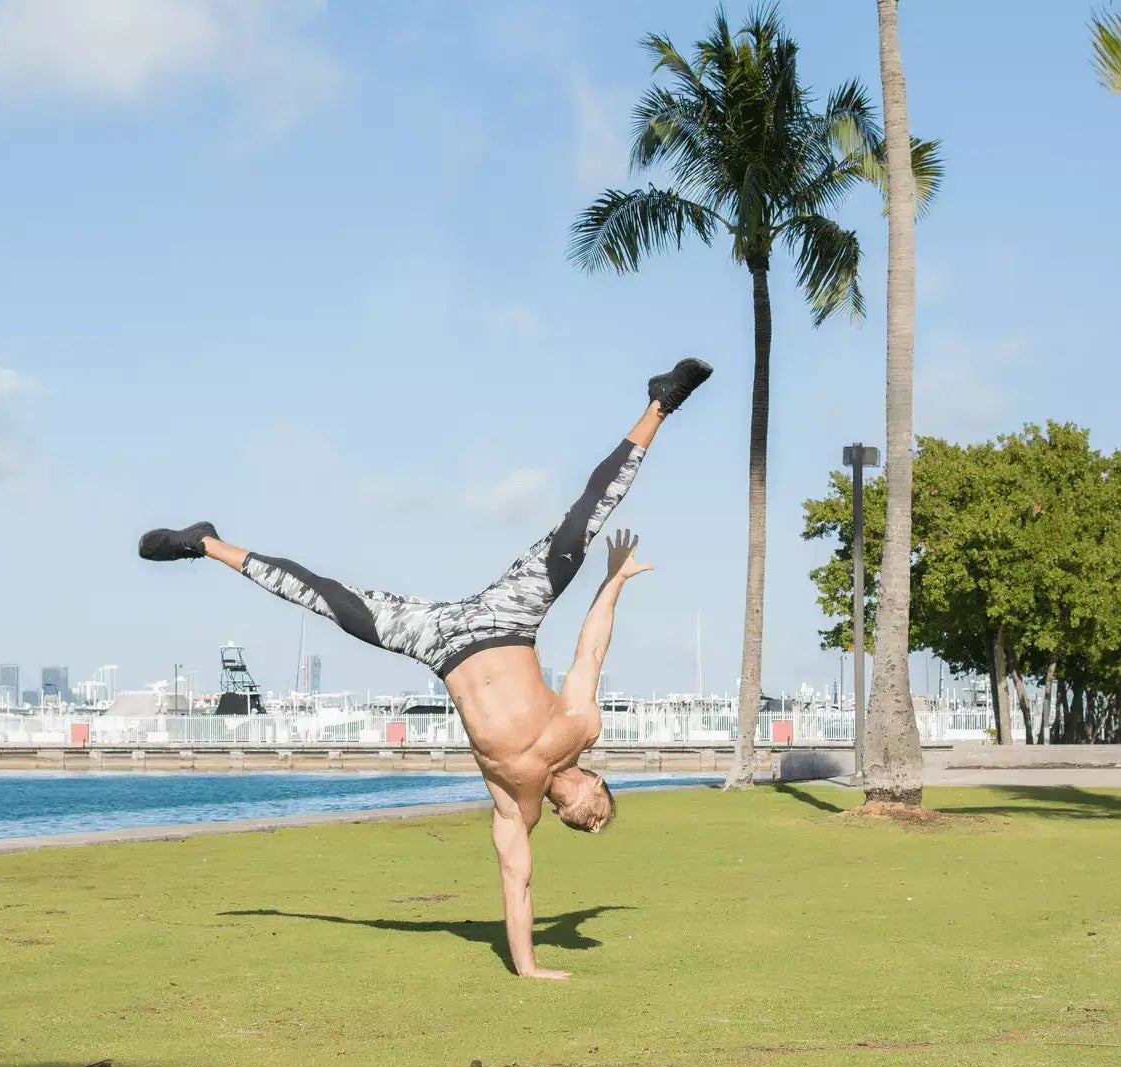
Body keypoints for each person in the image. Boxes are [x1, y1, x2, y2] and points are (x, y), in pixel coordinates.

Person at [138, 358, 712, 978]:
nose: (592, 824)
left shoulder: (516, 807)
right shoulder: (581, 726)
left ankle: (202, 543)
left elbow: (516, 885)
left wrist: (527, 966)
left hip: (438, 642)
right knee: (585, 520)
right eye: (601, 815)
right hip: (507, 619)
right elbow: (590, 651)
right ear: (597, 785)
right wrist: (614, 580)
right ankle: (660, 405)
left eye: (591, 829)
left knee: (324, 599)